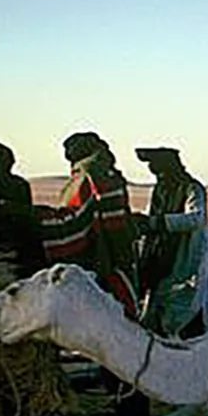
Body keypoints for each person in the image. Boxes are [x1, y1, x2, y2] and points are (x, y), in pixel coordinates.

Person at [38, 132, 140, 318]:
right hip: (101, 256)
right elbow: (115, 223)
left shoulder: (88, 176)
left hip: (102, 256)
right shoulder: (97, 175)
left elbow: (112, 221)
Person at [135, 147, 208, 339]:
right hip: (162, 256)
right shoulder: (160, 190)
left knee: (184, 310)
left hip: (186, 258)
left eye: (157, 166)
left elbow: (195, 218)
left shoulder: (192, 188)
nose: (154, 171)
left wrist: (157, 223)